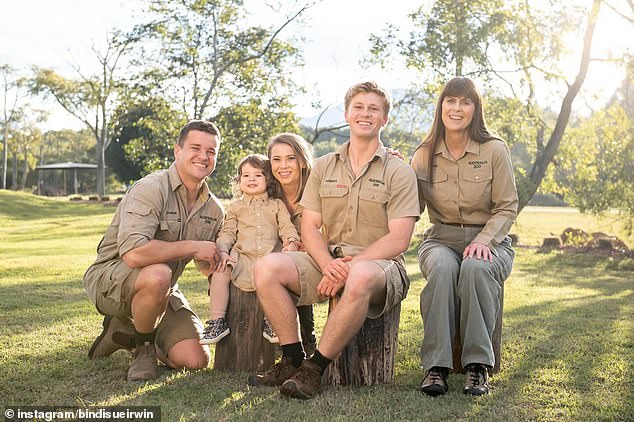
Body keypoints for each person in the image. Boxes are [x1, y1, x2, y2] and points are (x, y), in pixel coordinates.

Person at [250, 81, 420, 399]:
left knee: (361, 274)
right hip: (328, 259)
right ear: (346, 114)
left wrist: (349, 266)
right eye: (358, 107)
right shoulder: (325, 166)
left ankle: (314, 370)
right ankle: (291, 358)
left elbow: (399, 238)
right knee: (267, 268)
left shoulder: (399, 171)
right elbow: (310, 227)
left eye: (374, 109)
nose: (365, 114)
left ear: (385, 119)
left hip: (381, 266)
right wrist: (329, 265)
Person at [83, 120, 225, 381]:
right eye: (196, 148)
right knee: (158, 274)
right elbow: (134, 254)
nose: (204, 156)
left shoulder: (214, 210)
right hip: (111, 278)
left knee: (195, 360)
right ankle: (144, 347)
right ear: (177, 151)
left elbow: (207, 265)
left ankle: (124, 331)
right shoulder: (151, 188)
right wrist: (193, 246)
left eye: (211, 151)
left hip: (162, 288)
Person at [411, 77, 518, 396]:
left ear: (475, 109)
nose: (457, 108)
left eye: (465, 102)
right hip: (440, 239)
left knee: (475, 268)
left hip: (491, 242)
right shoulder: (424, 154)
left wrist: (484, 241)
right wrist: (391, 166)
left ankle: (477, 367)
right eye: (451, 101)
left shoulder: (494, 149)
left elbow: (507, 205)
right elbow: (408, 207)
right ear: (441, 106)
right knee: (443, 270)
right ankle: (436, 367)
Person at [200, 154, 299, 344]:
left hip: (270, 258)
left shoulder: (277, 205)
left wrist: (290, 242)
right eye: (245, 175)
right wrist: (222, 251)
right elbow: (227, 232)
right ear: (239, 181)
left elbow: (286, 227)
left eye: (258, 175)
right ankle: (217, 321)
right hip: (242, 258)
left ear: (268, 179)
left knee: (281, 281)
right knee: (220, 273)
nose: (251, 179)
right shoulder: (236, 207)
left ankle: (273, 322)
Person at [267, 133, 318, 354]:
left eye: (290, 158)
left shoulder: (316, 187)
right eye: (276, 159)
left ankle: (306, 341)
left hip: (316, 253)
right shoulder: (268, 190)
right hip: (277, 256)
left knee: (293, 266)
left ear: (303, 161)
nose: (283, 166)